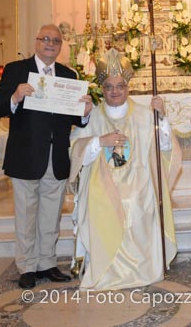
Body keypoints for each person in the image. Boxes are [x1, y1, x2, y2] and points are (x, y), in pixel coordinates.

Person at [0, 24, 93, 290]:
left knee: (51, 214)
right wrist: (15, 96)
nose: (50, 44)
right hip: (25, 154)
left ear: (61, 46)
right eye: (46, 39)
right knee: (26, 213)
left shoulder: (68, 74)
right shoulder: (16, 70)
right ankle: (27, 266)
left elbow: (75, 119)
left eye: (56, 41)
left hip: (55, 156)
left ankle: (46, 263)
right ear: (36, 42)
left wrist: (84, 111)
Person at [69, 50, 179, 290]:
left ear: (128, 87)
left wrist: (161, 118)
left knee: (139, 198)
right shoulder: (91, 116)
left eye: (120, 86)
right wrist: (99, 141)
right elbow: (76, 150)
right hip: (101, 183)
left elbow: (165, 146)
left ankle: (143, 267)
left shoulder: (143, 114)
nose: (115, 91)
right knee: (101, 200)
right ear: (102, 89)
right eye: (109, 86)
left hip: (138, 180)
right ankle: (106, 268)